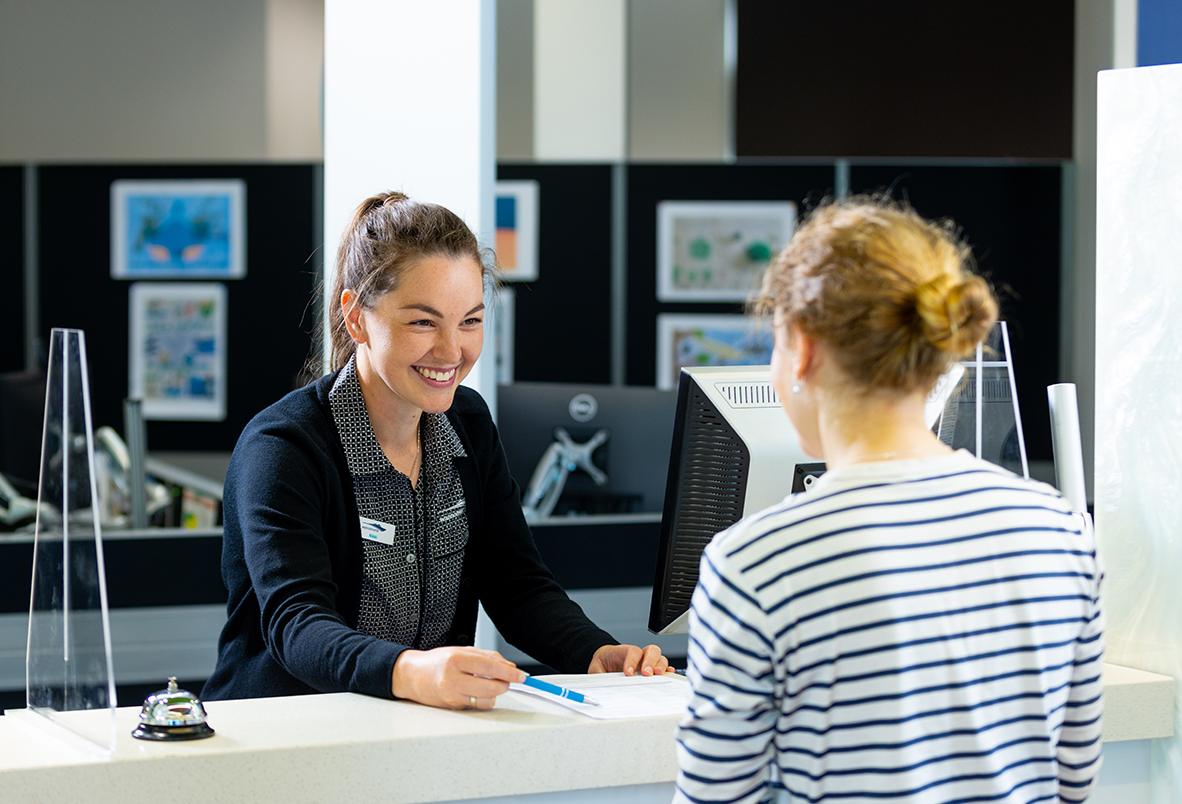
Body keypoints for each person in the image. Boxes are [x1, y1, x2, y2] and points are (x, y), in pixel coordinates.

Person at [674, 199, 1103, 803]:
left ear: (803, 348)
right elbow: (1074, 783)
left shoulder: (754, 562)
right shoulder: (1061, 531)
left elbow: (716, 797)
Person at [203, 191, 670, 710]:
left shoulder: (467, 425)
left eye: (470, 321)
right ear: (356, 318)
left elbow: (518, 587)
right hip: (281, 735)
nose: (452, 351)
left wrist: (594, 651)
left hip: (411, 733)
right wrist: (411, 671)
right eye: (424, 322)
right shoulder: (285, 447)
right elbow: (298, 626)